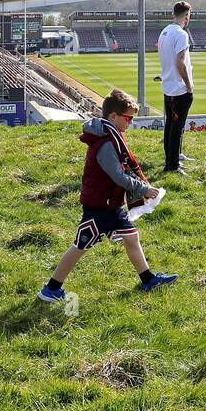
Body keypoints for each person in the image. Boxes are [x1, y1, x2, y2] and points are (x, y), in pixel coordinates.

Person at [38, 89, 177, 302]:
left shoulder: (112, 137)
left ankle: (148, 280)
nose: (130, 122)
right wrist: (144, 189)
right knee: (80, 246)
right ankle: (51, 289)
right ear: (113, 116)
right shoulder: (105, 144)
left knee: (132, 237)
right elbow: (119, 177)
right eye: (128, 118)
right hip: (99, 207)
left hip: (112, 205)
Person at [157, 1, 194, 176]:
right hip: (179, 89)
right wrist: (188, 85)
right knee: (176, 127)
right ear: (186, 16)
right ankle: (172, 165)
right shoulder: (181, 34)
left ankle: (173, 157)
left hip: (168, 86)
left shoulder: (164, 32)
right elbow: (180, 62)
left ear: (173, 14)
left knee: (171, 125)